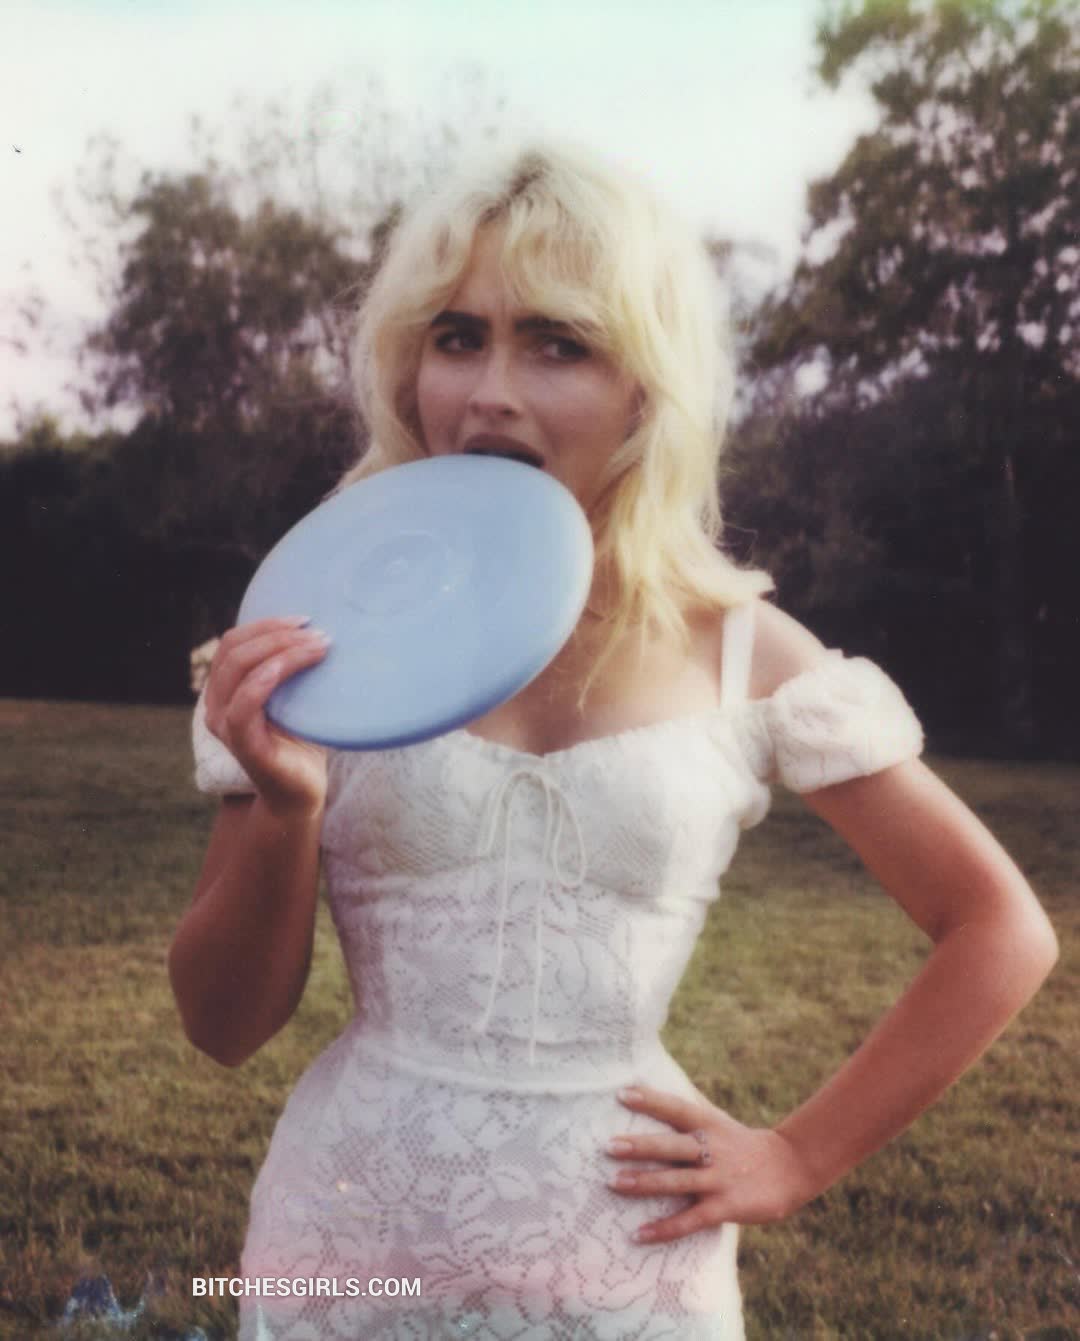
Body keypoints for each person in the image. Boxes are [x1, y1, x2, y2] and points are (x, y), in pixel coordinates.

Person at [169, 142, 1058, 1340]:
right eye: (458, 337)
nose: (492, 391)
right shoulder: (324, 637)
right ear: (408, 368)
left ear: (647, 387)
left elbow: (1000, 928)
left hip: (630, 1263)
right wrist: (288, 807)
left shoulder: (745, 653)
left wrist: (795, 1155)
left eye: (559, 343)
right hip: (348, 1245)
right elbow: (224, 1027)